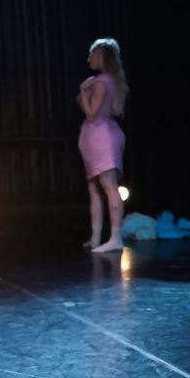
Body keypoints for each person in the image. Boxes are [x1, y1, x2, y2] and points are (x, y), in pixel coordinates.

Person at [77, 37, 128, 253]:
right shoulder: (110, 80)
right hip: (98, 135)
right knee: (95, 187)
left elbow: (91, 113)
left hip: (101, 135)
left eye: (92, 54)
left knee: (108, 186)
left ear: (101, 56)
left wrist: (82, 92)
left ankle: (115, 237)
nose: (89, 58)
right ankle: (96, 237)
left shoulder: (100, 82)